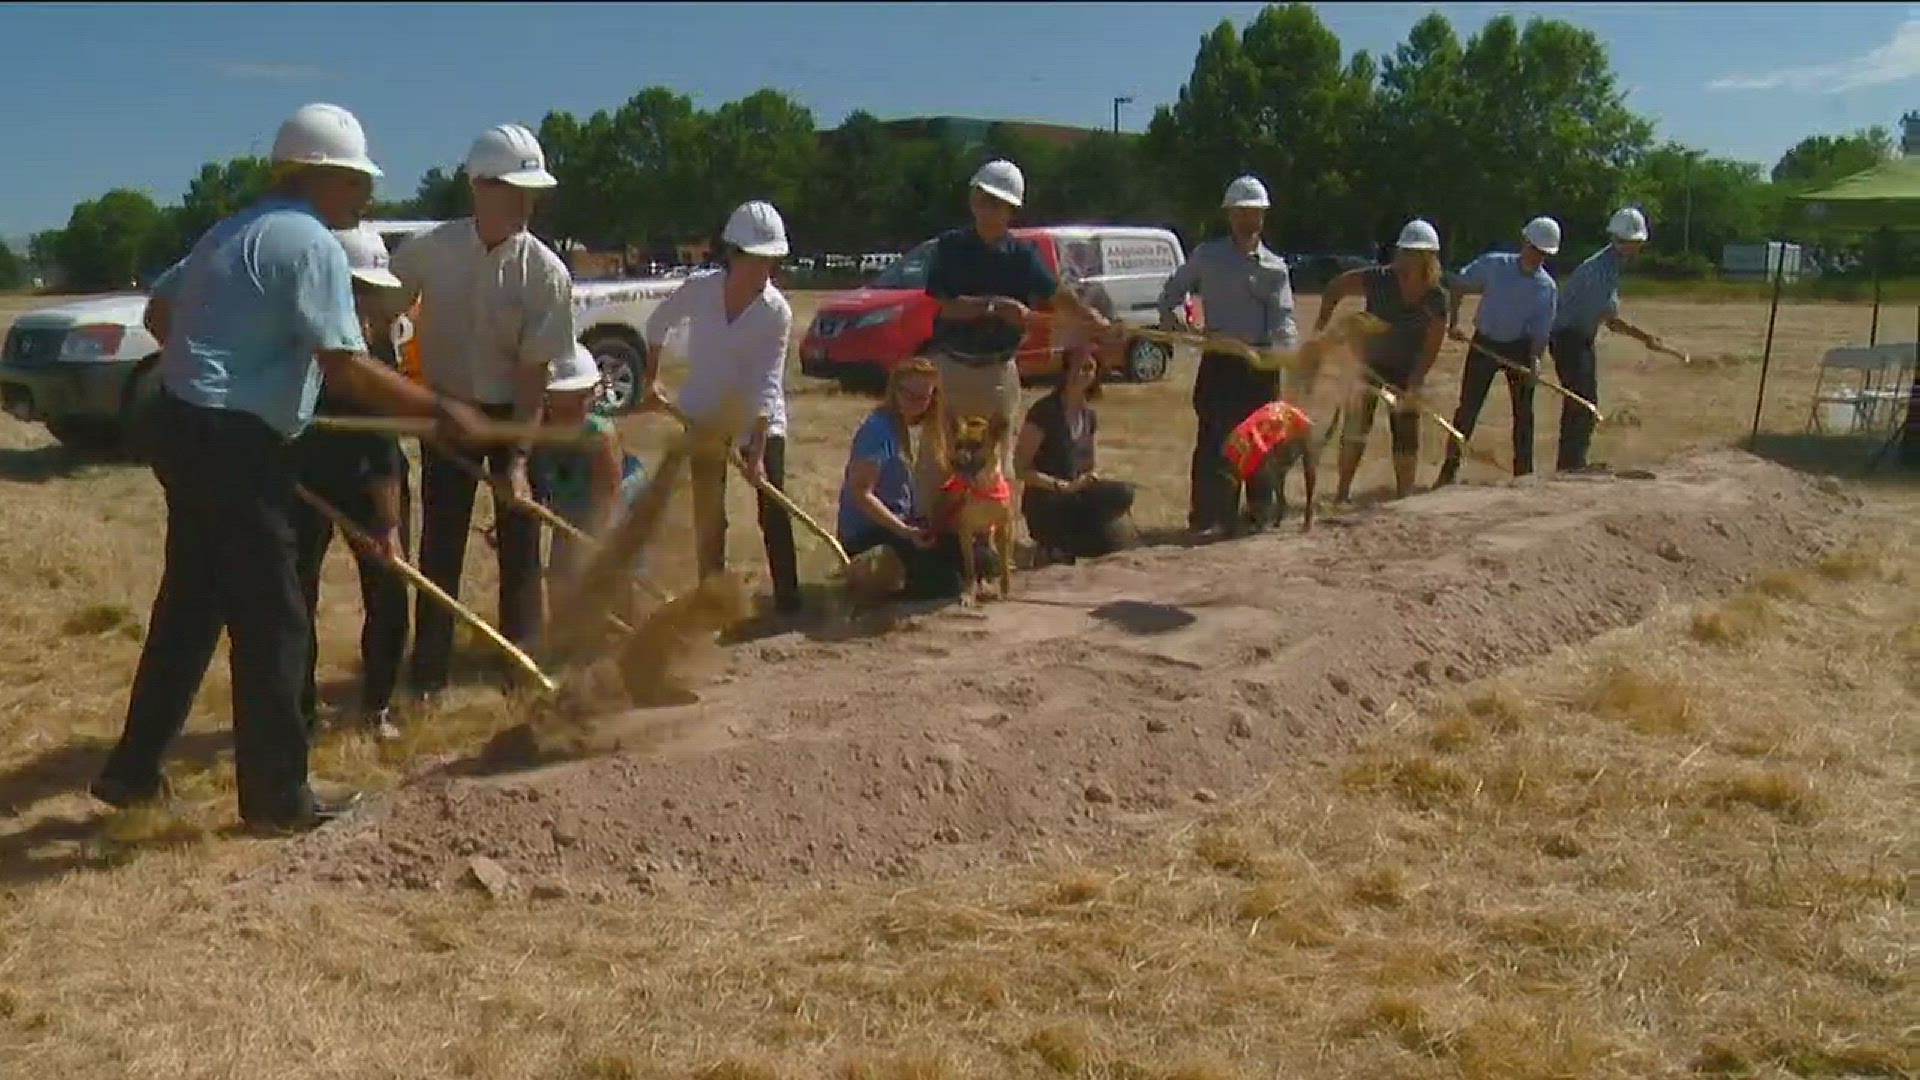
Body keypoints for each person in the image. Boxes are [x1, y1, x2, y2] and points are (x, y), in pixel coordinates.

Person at [91, 103, 485, 833]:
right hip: (234, 442)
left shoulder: (229, 231)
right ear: (321, 176)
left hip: (179, 425)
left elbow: (159, 313)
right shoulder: (310, 245)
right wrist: (438, 411)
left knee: (190, 609)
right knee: (275, 620)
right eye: (357, 181)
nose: (365, 197)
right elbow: (345, 368)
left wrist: (222, 356)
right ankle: (278, 799)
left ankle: (131, 772)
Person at [386, 123, 576, 694]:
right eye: (513, 191)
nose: (525, 204)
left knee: (520, 547)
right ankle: (429, 676)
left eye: (530, 194)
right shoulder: (431, 251)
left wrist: (516, 461)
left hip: (514, 415)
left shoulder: (545, 272)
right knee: (439, 546)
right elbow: (379, 306)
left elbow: (532, 373)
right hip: (446, 416)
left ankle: (521, 669)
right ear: (480, 186)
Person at [916, 158, 1114, 513]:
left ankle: (988, 544)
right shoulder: (950, 247)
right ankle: (932, 538)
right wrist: (993, 306)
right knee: (938, 459)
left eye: (996, 203)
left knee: (995, 464)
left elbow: (1056, 294)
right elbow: (945, 305)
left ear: (1011, 210)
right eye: (981, 199)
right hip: (951, 368)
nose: (986, 210)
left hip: (999, 372)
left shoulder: (1022, 256)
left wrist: (1090, 317)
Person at [641, 200, 801, 616]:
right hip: (705, 412)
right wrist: (651, 379)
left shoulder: (775, 312)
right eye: (755, 262)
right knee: (709, 511)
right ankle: (711, 599)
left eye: (771, 263)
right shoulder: (699, 289)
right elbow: (658, 324)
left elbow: (767, 382)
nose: (763, 272)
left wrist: (759, 451)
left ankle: (789, 601)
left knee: (773, 506)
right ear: (733, 255)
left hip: (757, 416)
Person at [290, 222, 412, 744]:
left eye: (369, 292)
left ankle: (376, 706)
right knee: (294, 599)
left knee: (387, 593)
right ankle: (297, 713)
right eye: (355, 291)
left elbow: (383, 446)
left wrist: (386, 525)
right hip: (300, 483)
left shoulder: (376, 349)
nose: (365, 304)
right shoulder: (298, 341)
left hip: (368, 484)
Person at [1157, 175, 1300, 538]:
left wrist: (1286, 353)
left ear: (1263, 218)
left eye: (1255, 213)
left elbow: (1284, 319)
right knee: (1213, 441)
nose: (1248, 220)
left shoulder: (1274, 268)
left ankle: (1258, 515)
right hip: (1220, 362)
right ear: (1230, 215)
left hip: (1260, 367)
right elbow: (1171, 294)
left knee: (1259, 443)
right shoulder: (1208, 257)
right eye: (1241, 213)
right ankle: (1209, 517)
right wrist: (1177, 326)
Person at [1315, 219, 1450, 501]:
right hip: (1367, 366)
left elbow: (1432, 345)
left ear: (1430, 259)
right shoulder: (1378, 279)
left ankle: (1404, 496)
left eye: (1417, 255)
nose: (1409, 260)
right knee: (1356, 429)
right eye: (1407, 253)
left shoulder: (1437, 297)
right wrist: (1321, 326)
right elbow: (1335, 288)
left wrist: (1416, 378)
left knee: (1406, 432)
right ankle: (1342, 493)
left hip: (1406, 370)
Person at [1548, 207, 1688, 474]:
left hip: (1578, 338)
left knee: (1585, 400)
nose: (1638, 248)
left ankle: (1573, 461)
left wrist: (1644, 337)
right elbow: (1609, 319)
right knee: (1582, 401)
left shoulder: (1609, 266)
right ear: (1624, 242)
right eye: (1636, 243)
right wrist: (1645, 337)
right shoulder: (1600, 271)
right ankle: (1570, 464)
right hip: (1569, 339)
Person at [836, 358, 978, 599]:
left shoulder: (909, 428)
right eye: (909, 395)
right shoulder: (878, 430)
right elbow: (861, 493)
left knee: (965, 556)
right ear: (895, 391)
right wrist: (904, 531)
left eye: (924, 397)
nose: (917, 404)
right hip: (868, 532)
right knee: (945, 583)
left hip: (902, 524)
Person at [1435, 216, 1561, 486]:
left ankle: (1523, 474)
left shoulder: (1546, 288)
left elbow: (1541, 331)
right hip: (1485, 344)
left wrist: (1536, 360)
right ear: (1524, 243)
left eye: (1544, 253)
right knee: (1468, 408)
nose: (1538, 257)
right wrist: (1454, 323)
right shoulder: (1493, 264)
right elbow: (1459, 285)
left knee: (1524, 414)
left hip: (1520, 349)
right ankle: (1448, 471)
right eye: (1535, 250)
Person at [530, 343, 648, 590]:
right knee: (561, 582)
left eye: (582, 397)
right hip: (570, 507)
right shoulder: (537, 430)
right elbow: (536, 483)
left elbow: (608, 501)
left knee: (617, 584)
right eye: (568, 399)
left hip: (618, 507)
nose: (576, 406)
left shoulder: (600, 436)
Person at [1015, 345, 1135, 563]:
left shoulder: (1089, 416)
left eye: (1089, 367)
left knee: (1123, 495)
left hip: (1078, 495)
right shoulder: (1044, 412)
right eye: (1077, 367)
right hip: (1048, 497)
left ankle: (1068, 544)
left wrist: (1088, 480)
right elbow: (1020, 468)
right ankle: (1051, 544)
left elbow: (1089, 464)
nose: (1084, 373)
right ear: (1065, 371)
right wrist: (1062, 486)